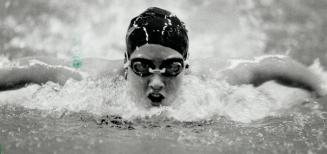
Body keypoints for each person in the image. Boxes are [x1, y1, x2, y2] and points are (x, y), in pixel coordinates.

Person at [0, 7, 325, 107]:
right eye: (142, 67)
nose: (156, 81)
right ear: (126, 63)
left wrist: (321, 87)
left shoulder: (212, 80)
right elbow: (34, 68)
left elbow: (268, 65)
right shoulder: (93, 80)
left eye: (171, 68)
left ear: (187, 64)